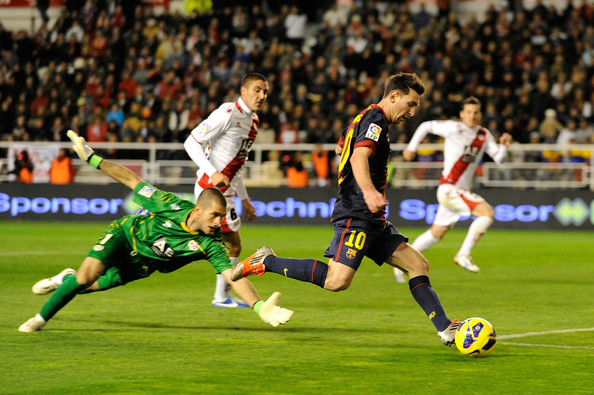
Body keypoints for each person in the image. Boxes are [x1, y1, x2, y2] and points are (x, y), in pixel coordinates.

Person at [231, 73, 462, 347]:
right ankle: (266, 261)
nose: (412, 112)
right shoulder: (375, 119)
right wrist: (367, 191)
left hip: (372, 218)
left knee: (417, 264)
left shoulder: (362, 118)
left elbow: (343, 147)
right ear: (393, 96)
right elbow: (358, 155)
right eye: (410, 104)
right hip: (358, 213)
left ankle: (445, 328)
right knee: (336, 280)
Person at [18, 130, 292, 332]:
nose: (218, 222)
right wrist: (91, 158)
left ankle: (67, 278)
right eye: (215, 215)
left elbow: (232, 276)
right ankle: (38, 321)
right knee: (84, 278)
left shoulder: (211, 243)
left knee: (84, 286)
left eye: (221, 217)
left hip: (142, 265)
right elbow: (131, 179)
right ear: (197, 210)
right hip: (125, 237)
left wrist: (258, 306)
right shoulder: (168, 203)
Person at [393, 96, 513, 279]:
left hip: (457, 191)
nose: (472, 116)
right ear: (462, 114)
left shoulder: (484, 135)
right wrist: (411, 148)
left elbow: (499, 159)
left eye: (476, 112)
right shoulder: (454, 128)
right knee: (487, 213)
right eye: (469, 112)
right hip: (450, 188)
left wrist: (504, 146)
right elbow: (425, 126)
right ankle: (463, 254)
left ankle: (400, 263)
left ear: (480, 114)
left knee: (436, 233)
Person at [183, 73, 268, 308]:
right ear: (243, 91)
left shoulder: (253, 122)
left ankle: (222, 296)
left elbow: (236, 165)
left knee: (214, 240)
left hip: (227, 191)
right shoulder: (227, 114)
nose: (261, 96)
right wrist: (211, 171)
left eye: (265, 92)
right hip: (212, 189)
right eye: (256, 90)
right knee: (227, 242)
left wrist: (245, 199)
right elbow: (191, 142)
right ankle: (221, 297)